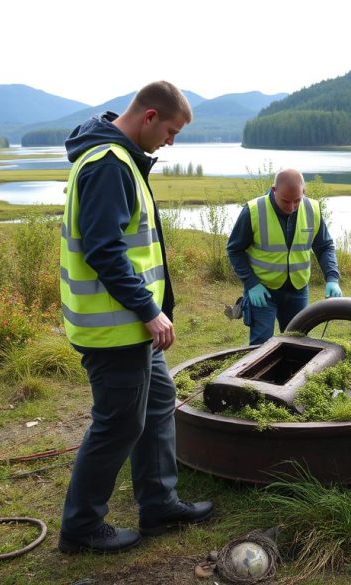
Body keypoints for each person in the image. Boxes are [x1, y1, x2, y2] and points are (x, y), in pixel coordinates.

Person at [57, 81, 213, 554]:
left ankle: (159, 502)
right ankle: (82, 526)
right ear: (149, 117)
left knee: (159, 399)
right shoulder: (108, 165)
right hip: (114, 328)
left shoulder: (118, 157)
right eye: (170, 131)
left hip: (127, 326)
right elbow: (105, 251)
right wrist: (149, 310)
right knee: (118, 423)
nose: (171, 142)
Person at [226, 169, 342, 345]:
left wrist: (332, 278)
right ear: (274, 190)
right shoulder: (254, 211)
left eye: (297, 200)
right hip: (263, 291)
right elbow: (235, 250)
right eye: (285, 201)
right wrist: (251, 284)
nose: (291, 207)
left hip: (298, 291)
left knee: (297, 343)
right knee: (260, 345)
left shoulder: (312, 209)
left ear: (303, 191)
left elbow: (324, 246)